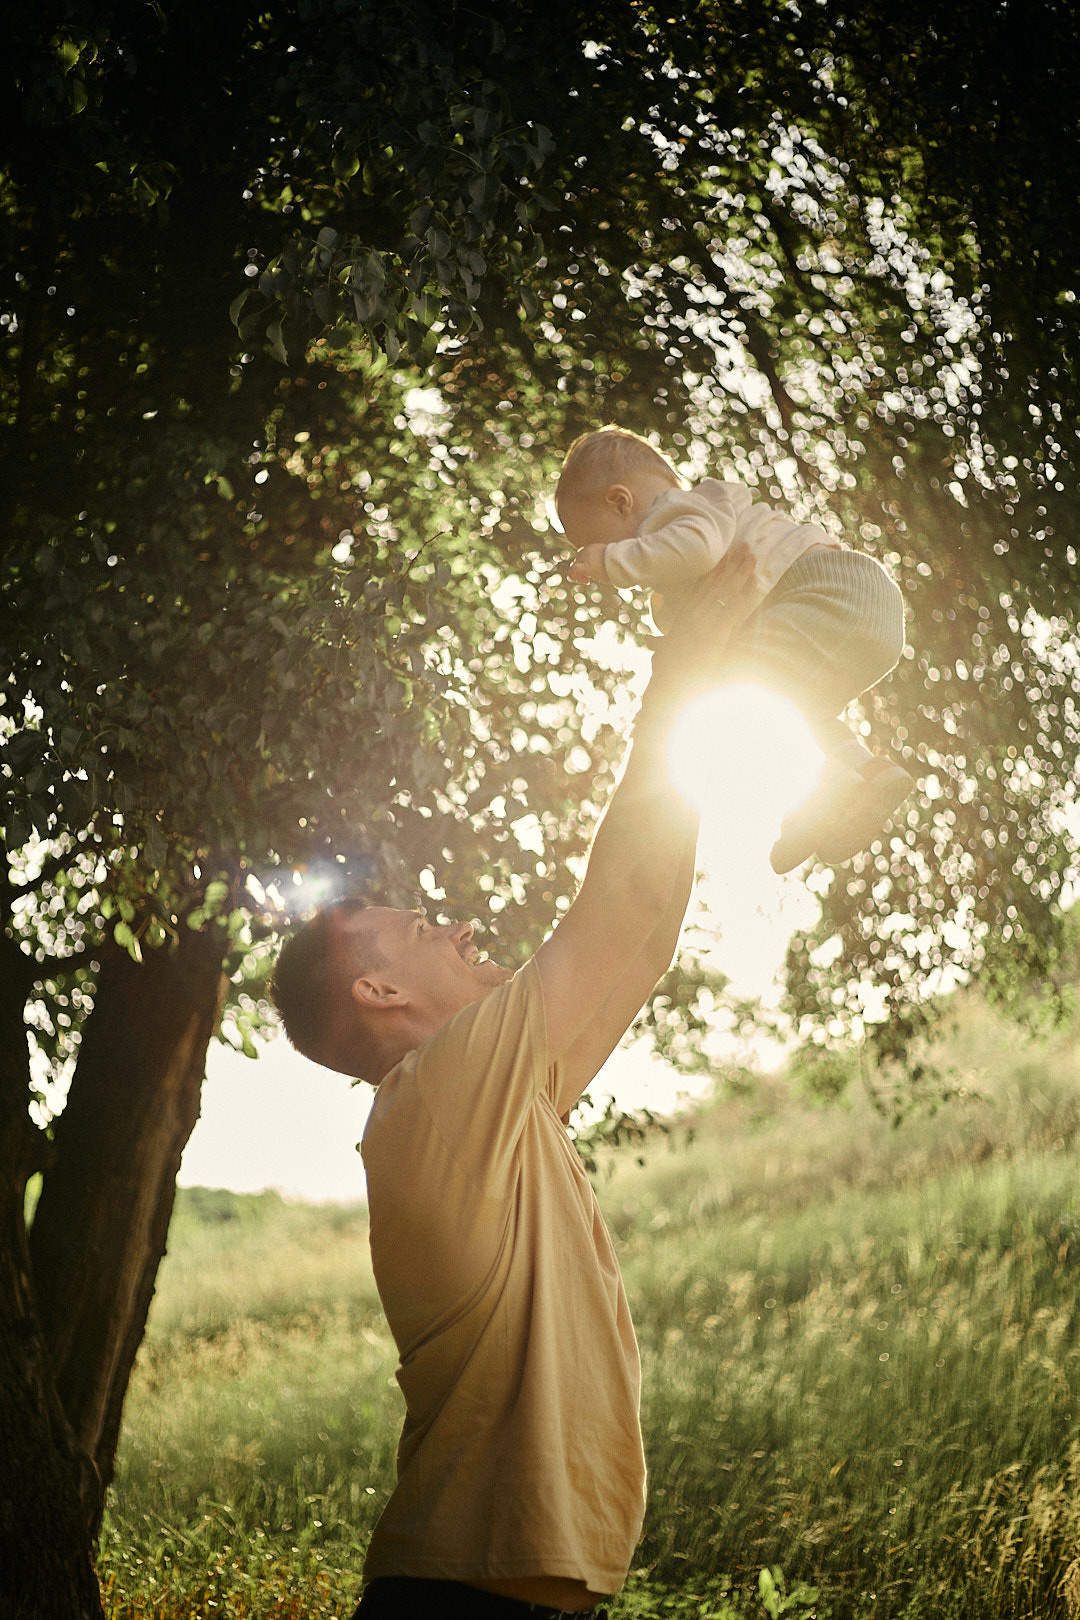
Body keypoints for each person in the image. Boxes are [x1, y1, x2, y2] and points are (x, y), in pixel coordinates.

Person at [269, 545, 761, 1620]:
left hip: (503, 1590)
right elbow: (614, 903)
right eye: (417, 928)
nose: (458, 925)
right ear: (379, 992)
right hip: (468, 1597)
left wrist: (703, 708)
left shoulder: (490, 1107)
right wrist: (682, 681)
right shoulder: (439, 1094)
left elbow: (640, 938)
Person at [558, 425, 912, 872]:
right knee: (794, 709)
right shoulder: (689, 531)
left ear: (621, 502)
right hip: (859, 612)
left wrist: (607, 563)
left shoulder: (678, 510)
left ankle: (825, 795)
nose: (619, 558)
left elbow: (693, 551)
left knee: (735, 696)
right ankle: (866, 772)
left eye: (601, 541)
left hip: (829, 590)